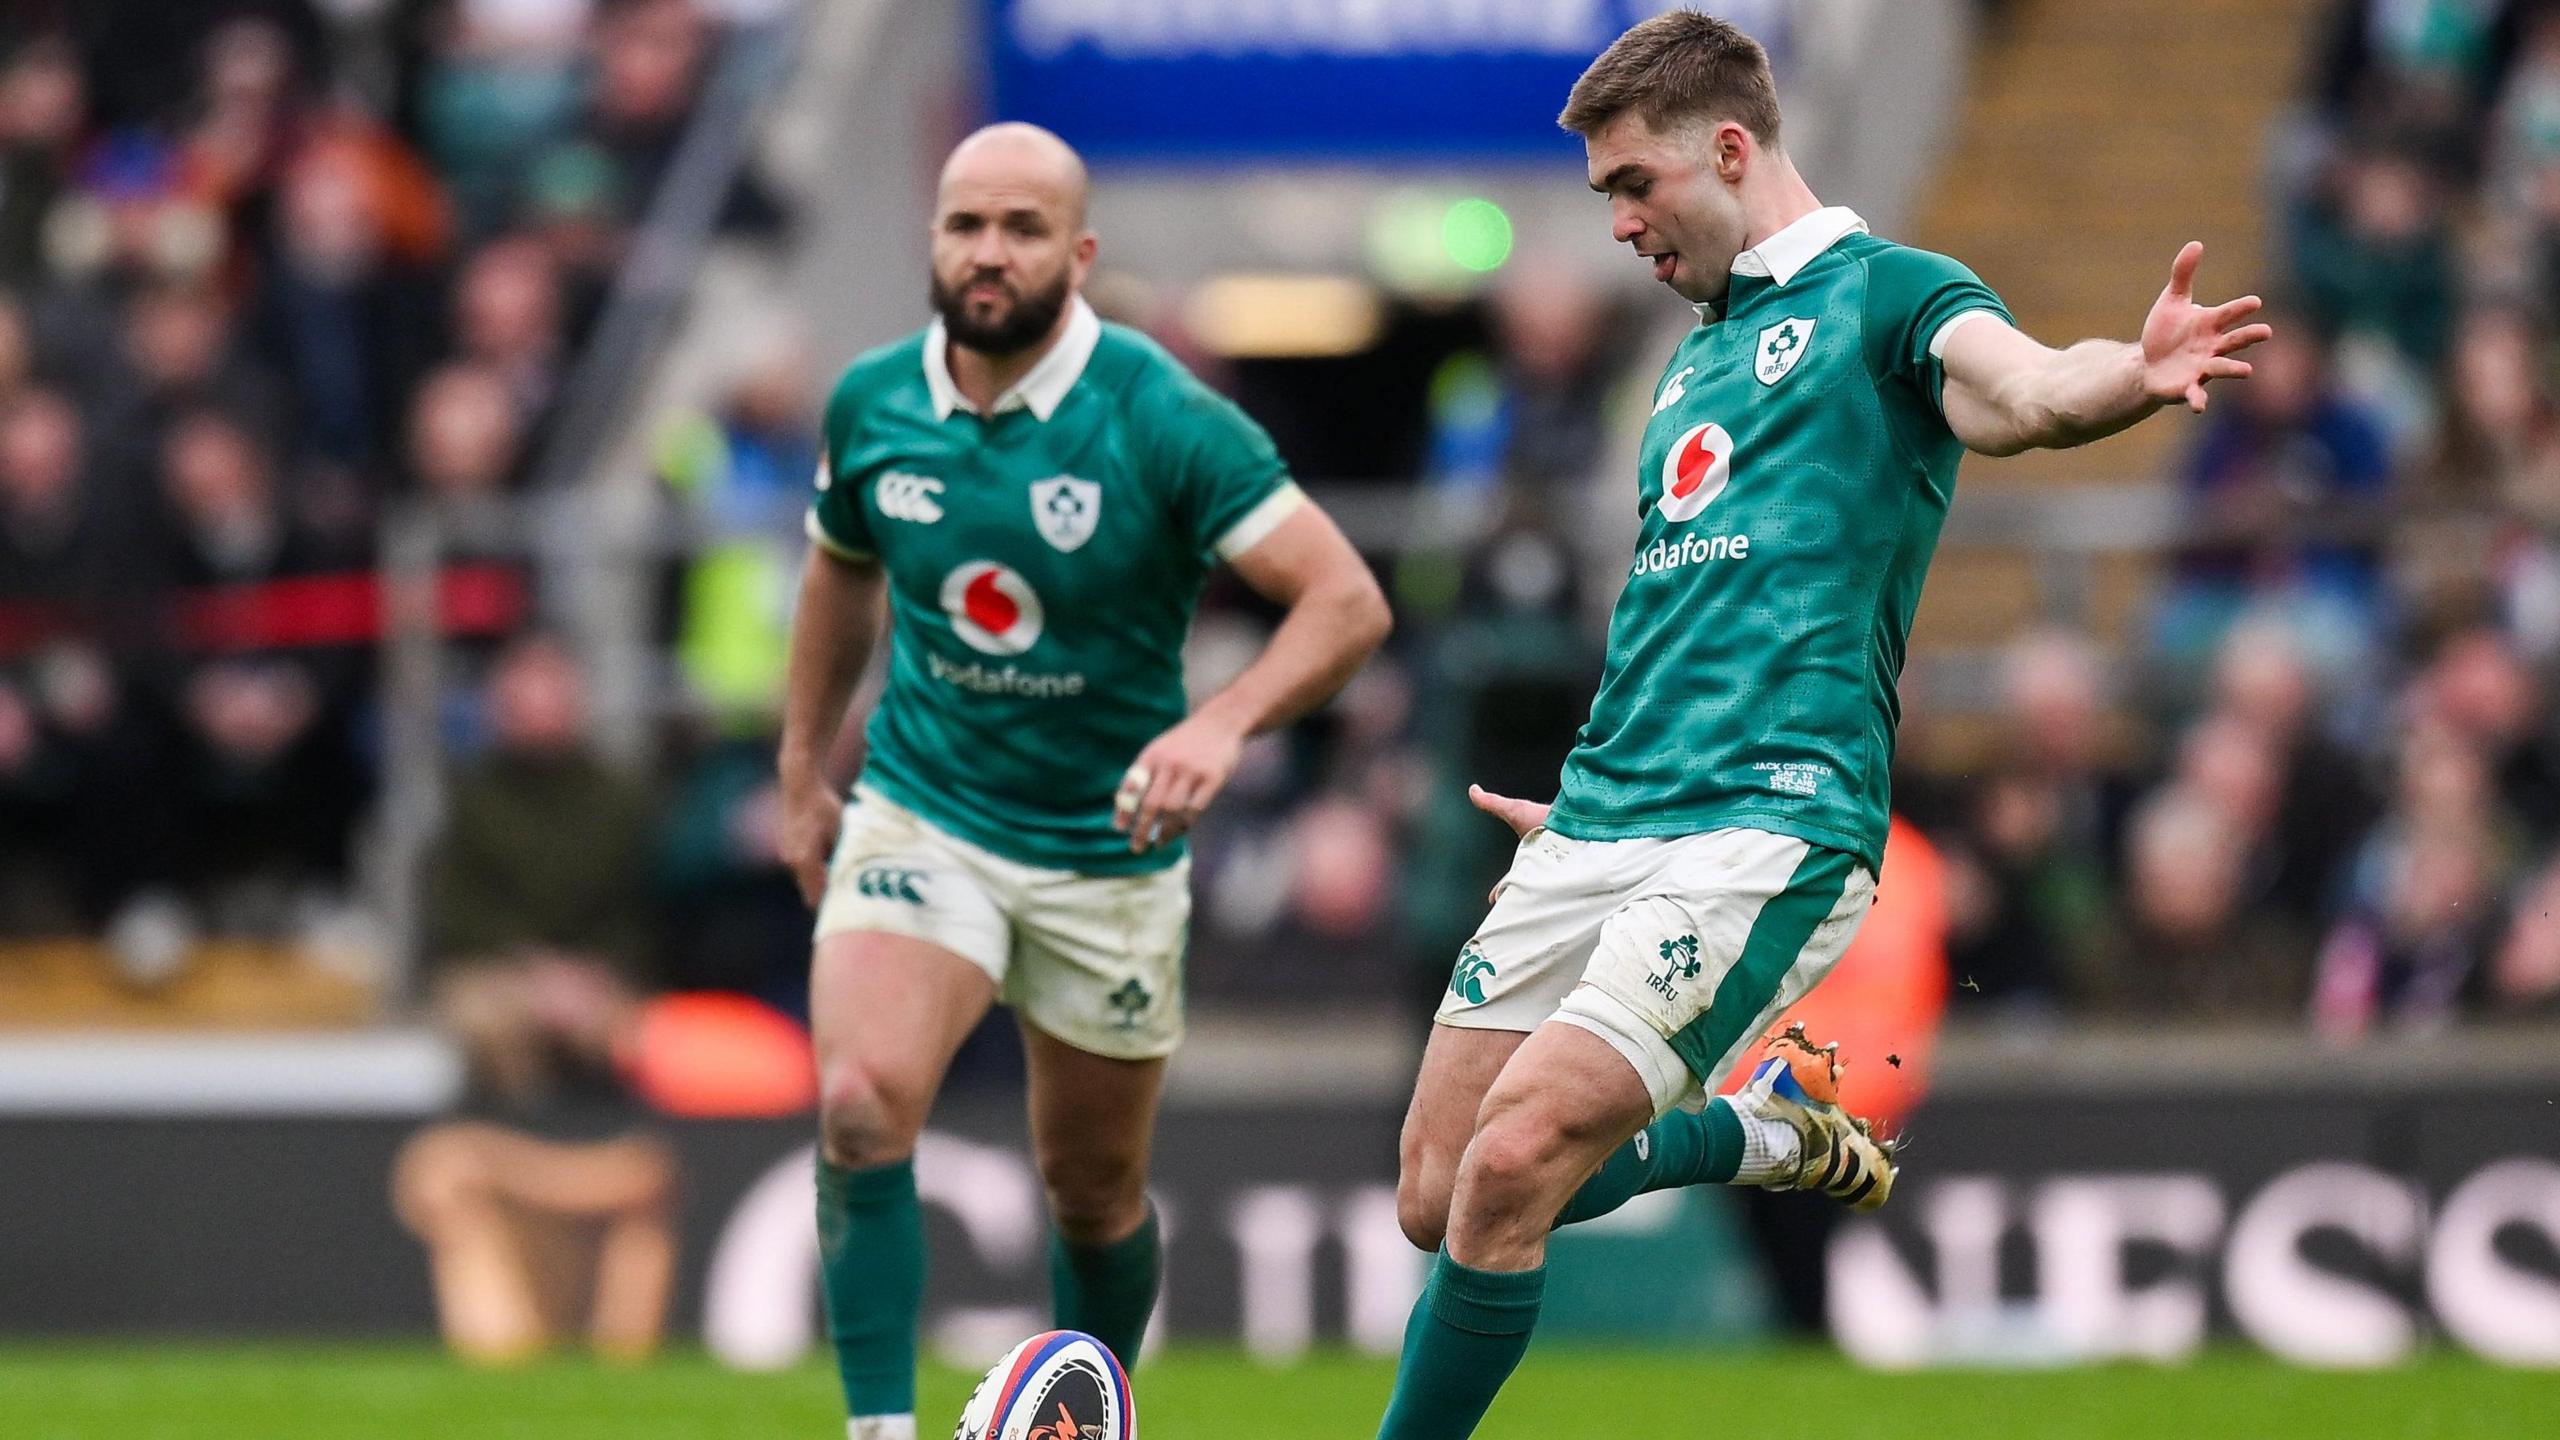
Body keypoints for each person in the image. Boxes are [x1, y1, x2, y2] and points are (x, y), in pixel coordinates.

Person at [1375, 15, 2272, 1440]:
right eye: (1604, 194)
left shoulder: (1887, 299)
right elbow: (1686, 619)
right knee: (1436, 1194)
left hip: (1770, 824)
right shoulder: (1687, 364)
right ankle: (1755, 1133)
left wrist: (2125, 373)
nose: (1616, 224)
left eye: (1633, 185)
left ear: (1731, 151)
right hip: (1615, 809)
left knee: (1514, 1165)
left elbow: (2024, 389)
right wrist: (1601, 807)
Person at [776, 123, 1389, 1440]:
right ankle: (878, 1430)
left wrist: (1223, 725)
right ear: (931, 238)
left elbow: (1345, 603)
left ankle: (1085, 1417)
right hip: (923, 806)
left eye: (1021, 228)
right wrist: (799, 767)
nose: (988, 253)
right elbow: (839, 569)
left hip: (1107, 847)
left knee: (1095, 1193)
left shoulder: (1163, 418)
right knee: (857, 1099)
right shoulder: (872, 403)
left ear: (1081, 253)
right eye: (964, 225)